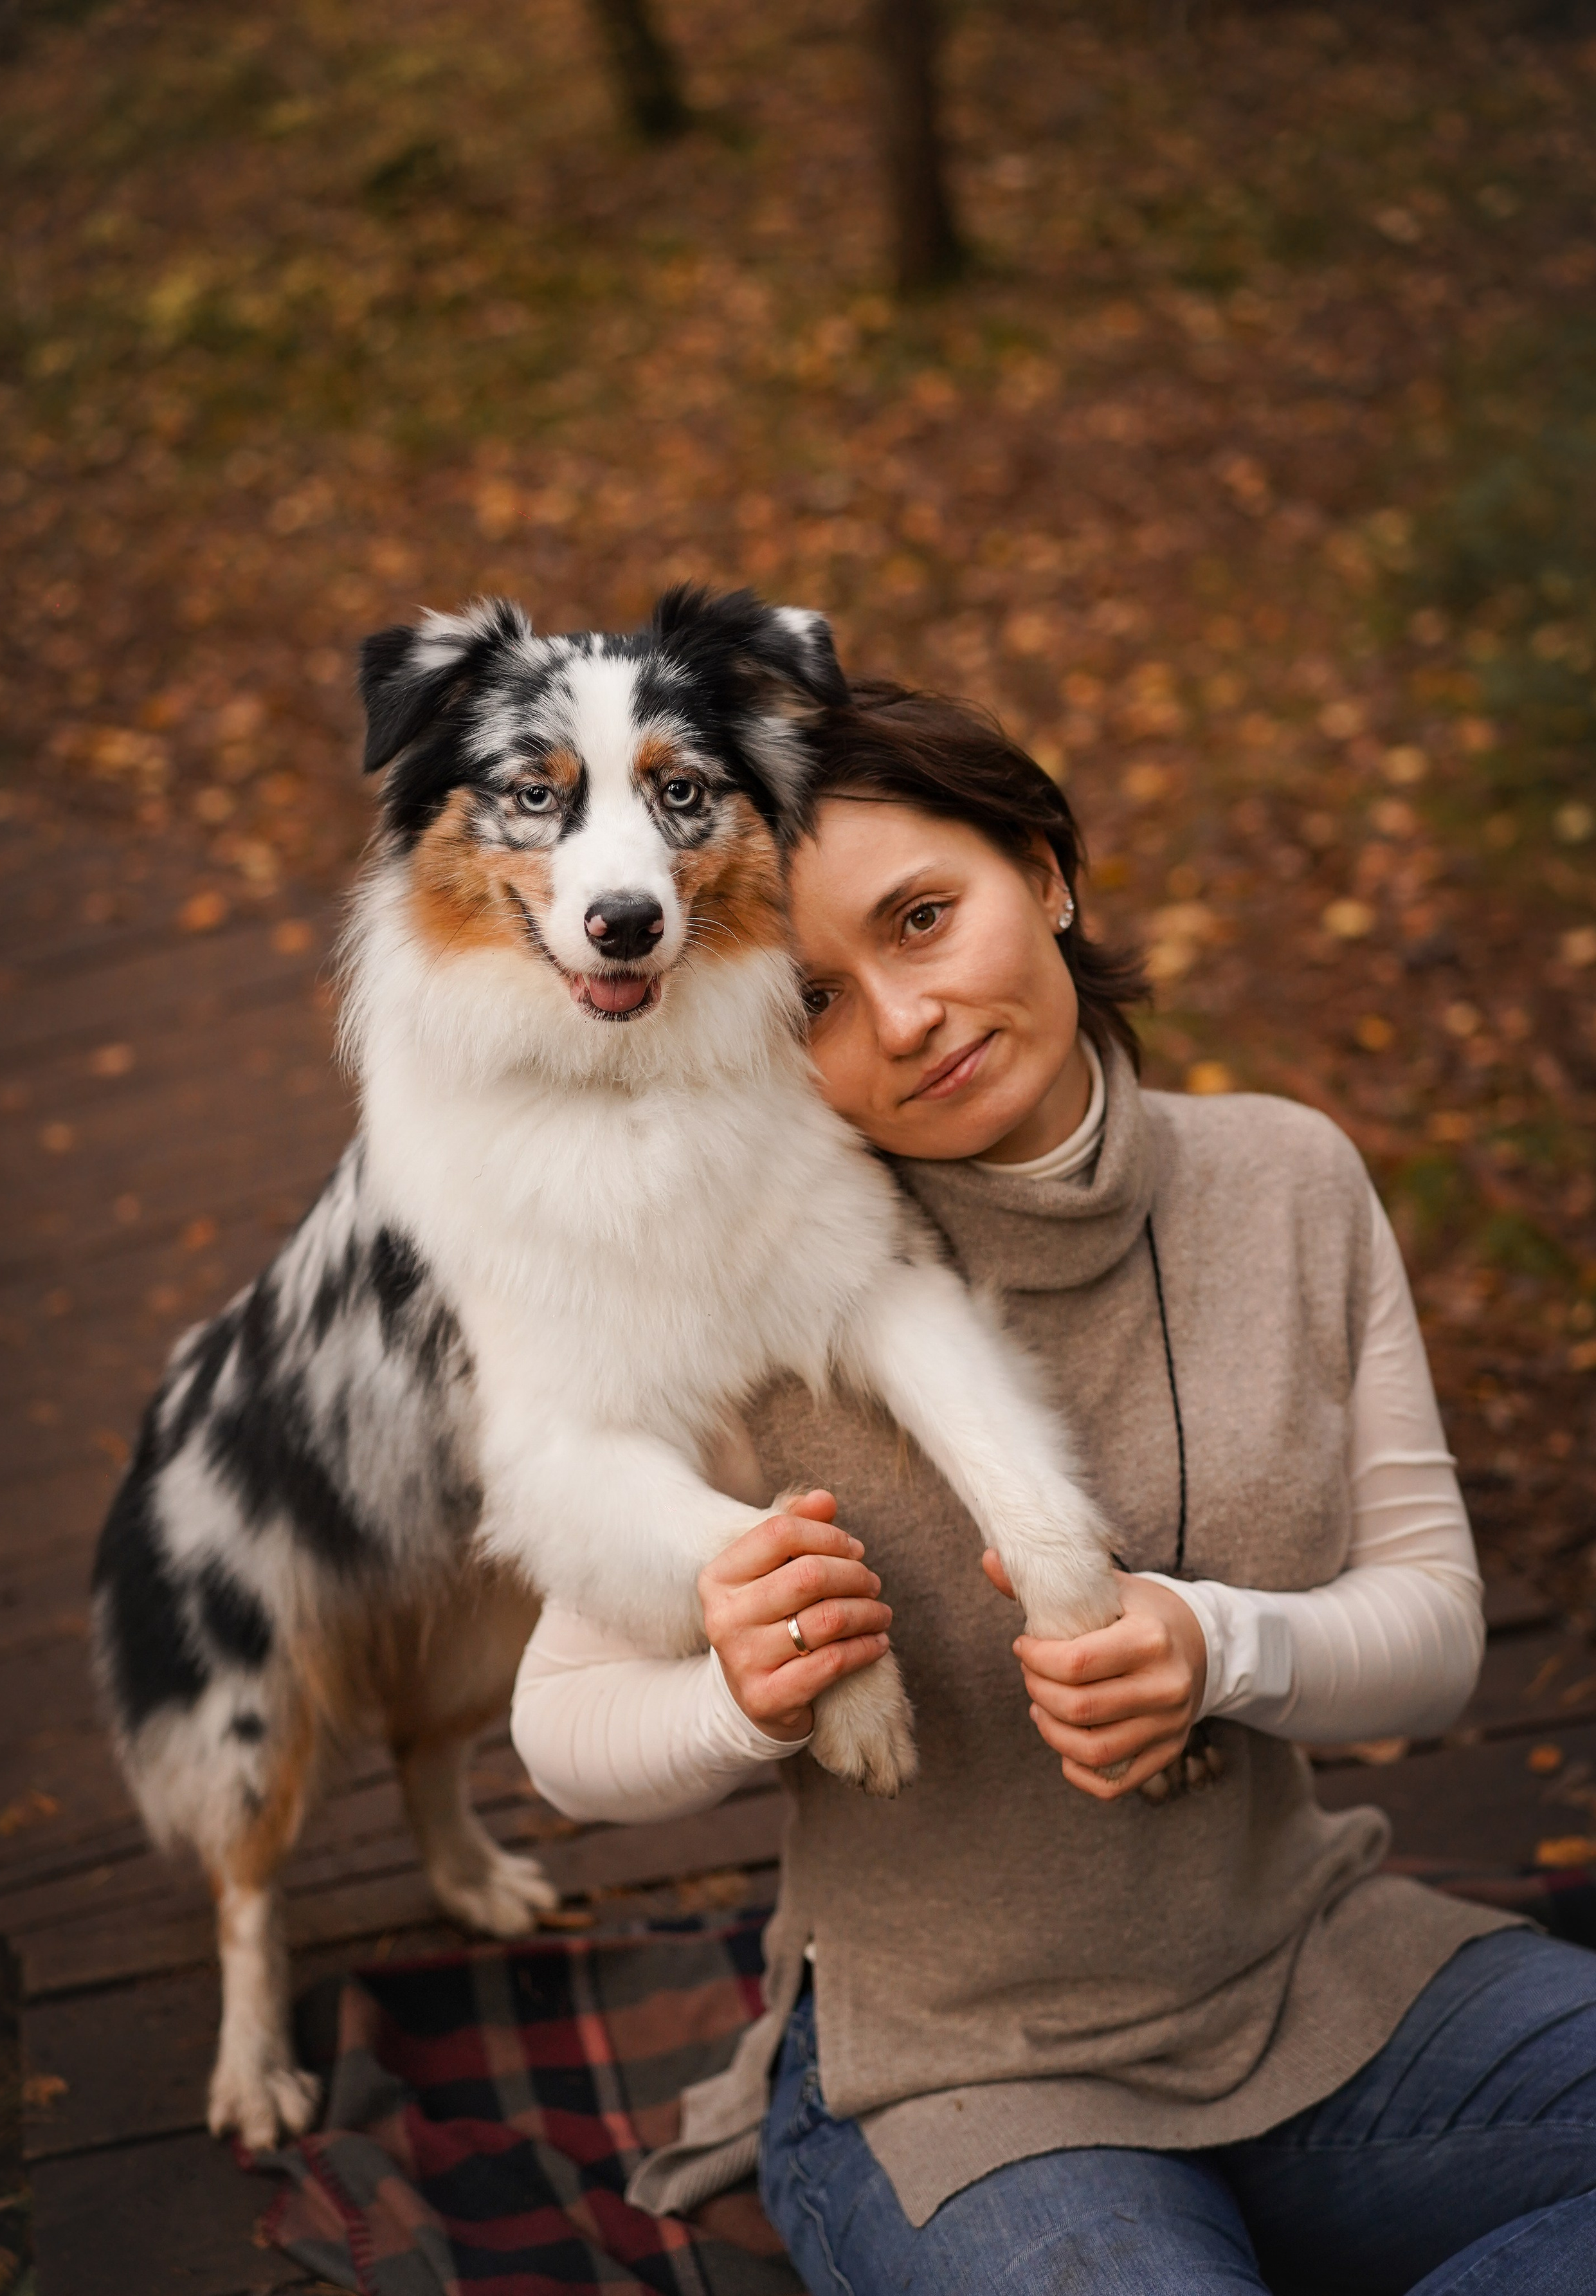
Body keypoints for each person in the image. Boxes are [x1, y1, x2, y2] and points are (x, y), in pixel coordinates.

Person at [509, 680, 1596, 2294]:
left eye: (926, 919)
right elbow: (556, 1730)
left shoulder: (1284, 1180)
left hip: (1323, 1982)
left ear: (1048, 873)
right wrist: (743, 1694)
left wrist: (1221, 1647)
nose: (902, 1021)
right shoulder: (730, 1293)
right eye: (807, 1000)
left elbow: (1435, 1631)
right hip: (954, 2080)